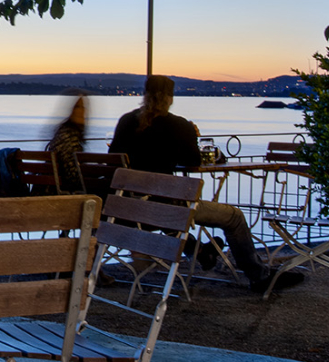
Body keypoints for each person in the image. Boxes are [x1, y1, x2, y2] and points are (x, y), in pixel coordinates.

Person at [110, 75, 303, 294]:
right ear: (170, 98)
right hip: (166, 209)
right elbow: (193, 162)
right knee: (235, 217)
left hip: (126, 208)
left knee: (169, 211)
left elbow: (113, 158)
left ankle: (201, 251)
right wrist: (191, 135)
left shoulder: (126, 121)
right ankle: (259, 276)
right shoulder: (179, 125)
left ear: (144, 95)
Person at [47, 93, 88, 194]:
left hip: (51, 187)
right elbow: (72, 174)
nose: (83, 111)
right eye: (78, 107)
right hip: (63, 191)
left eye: (84, 107)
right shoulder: (69, 137)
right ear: (71, 111)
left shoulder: (61, 133)